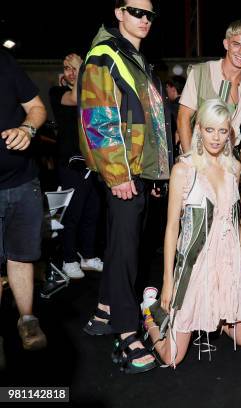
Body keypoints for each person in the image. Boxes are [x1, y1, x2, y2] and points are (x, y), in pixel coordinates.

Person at [78, 0, 172, 374]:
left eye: (150, 14)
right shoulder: (105, 55)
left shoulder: (133, 57)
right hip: (123, 173)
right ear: (119, 13)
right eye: (137, 12)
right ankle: (126, 332)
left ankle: (103, 311)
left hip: (138, 172)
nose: (144, 19)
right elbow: (98, 117)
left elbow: (150, 121)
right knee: (126, 249)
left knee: (123, 244)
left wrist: (155, 174)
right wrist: (118, 174)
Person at [143, 99, 241, 366]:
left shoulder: (234, 169)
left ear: (230, 133)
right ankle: (149, 311)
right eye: (209, 130)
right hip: (195, 264)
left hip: (227, 260)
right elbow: (172, 229)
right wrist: (168, 281)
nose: (216, 138)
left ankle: (208, 316)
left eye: (222, 131)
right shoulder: (184, 169)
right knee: (172, 358)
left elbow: (235, 222)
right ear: (198, 130)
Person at [0, 49, 48, 351]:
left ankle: (27, 318)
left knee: (22, 256)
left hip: (23, 180)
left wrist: (27, 128)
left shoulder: (4, 61)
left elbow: (37, 107)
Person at [49, 52, 103, 279]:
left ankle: (88, 256)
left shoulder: (89, 92)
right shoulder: (57, 92)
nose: (71, 72)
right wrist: (82, 69)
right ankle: (68, 259)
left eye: (74, 68)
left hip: (90, 161)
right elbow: (76, 97)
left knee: (92, 211)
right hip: (70, 164)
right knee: (72, 213)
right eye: (67, 68)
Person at [178, 19, 241, 171]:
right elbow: (183, 117)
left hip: (227, 161)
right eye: (236, 44)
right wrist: (191, 162)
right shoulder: (200, 72)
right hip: (197, 155)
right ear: (226, 44)